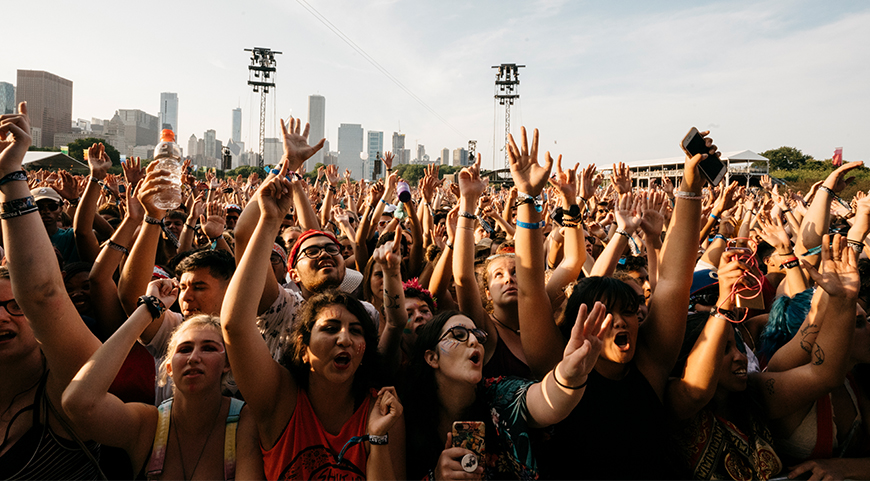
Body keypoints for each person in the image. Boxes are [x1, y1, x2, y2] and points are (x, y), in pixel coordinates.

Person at [515, 127, 710, 479]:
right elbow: (530, 289)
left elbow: (672, 282)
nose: (621, 322)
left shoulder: (649, 366)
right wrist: (527, 197)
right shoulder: (555, 363)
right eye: (605, 312)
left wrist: (690, 188)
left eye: (629, 311)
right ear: (575, 322)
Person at [221, 157, 405, 480]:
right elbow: (236, 324)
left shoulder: (384, 410)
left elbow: (396, 321)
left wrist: (375, 438)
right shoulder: (279, 398)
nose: (345, 338)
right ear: (301, 346)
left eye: (357, 330)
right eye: (330, 328)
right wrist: (269, 219)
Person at [62, 283, 263, 480]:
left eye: (209, 348)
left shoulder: (245, 422)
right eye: (184, 349)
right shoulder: (149, 425)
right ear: (169, 367)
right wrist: (148, 309)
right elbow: (78, 402)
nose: (193, 358)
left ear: (227, 364)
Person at [0, 102, 103, 478]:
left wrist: (12, 173)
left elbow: (44, 293)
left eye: (14, 307)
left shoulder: (66, 395)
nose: (0, 316)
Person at [401, 303, 609, 480]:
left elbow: (546, 400)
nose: (474, 341)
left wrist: (569, 375)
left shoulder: (500, 393)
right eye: (459, 334)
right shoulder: (405, 418)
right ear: (432, 358)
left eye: (478, 335)